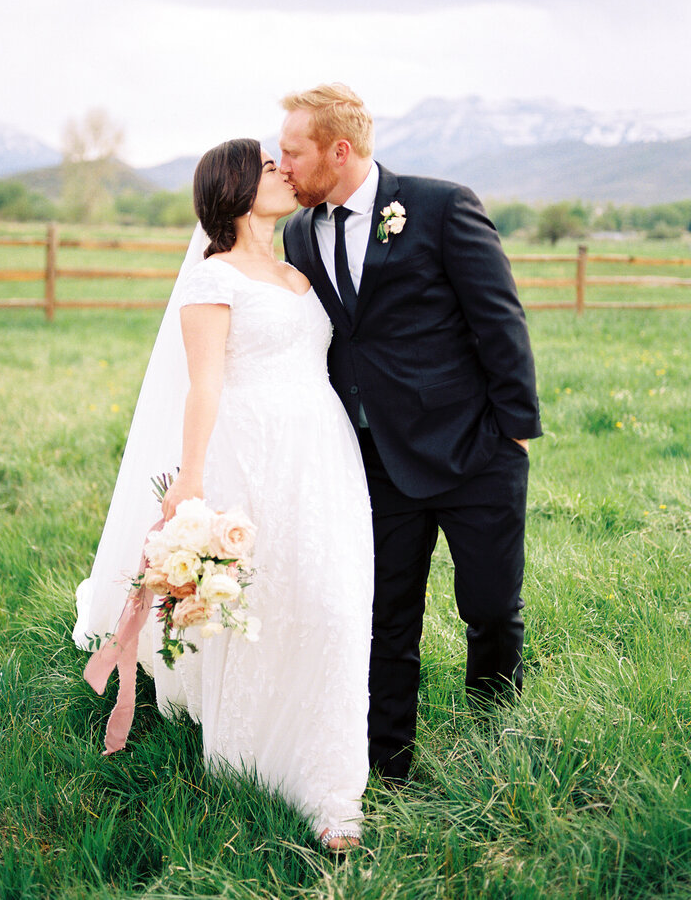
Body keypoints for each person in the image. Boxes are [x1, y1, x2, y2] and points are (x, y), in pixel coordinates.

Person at [74, 139, 373, 851]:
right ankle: (263, 767)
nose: (284, 173)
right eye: (269, 167)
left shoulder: (296, 265)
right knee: (266, 603)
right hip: (253, 452)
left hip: (323, 454)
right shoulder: (213, 279)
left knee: (332, 603)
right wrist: (193, 480)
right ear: (237, 188)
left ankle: (330, 779)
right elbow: (204, 385)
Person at [280, 84, 542, 782]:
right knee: (385, 617)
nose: (282, 165)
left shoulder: (440, 205)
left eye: (292, 151)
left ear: (338, 150)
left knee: (489, 606)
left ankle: (495, 730)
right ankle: (384, 764)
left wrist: (514, 434)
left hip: (473, 450)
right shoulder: (299, 231)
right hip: (373, 462)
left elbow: (500, 320)